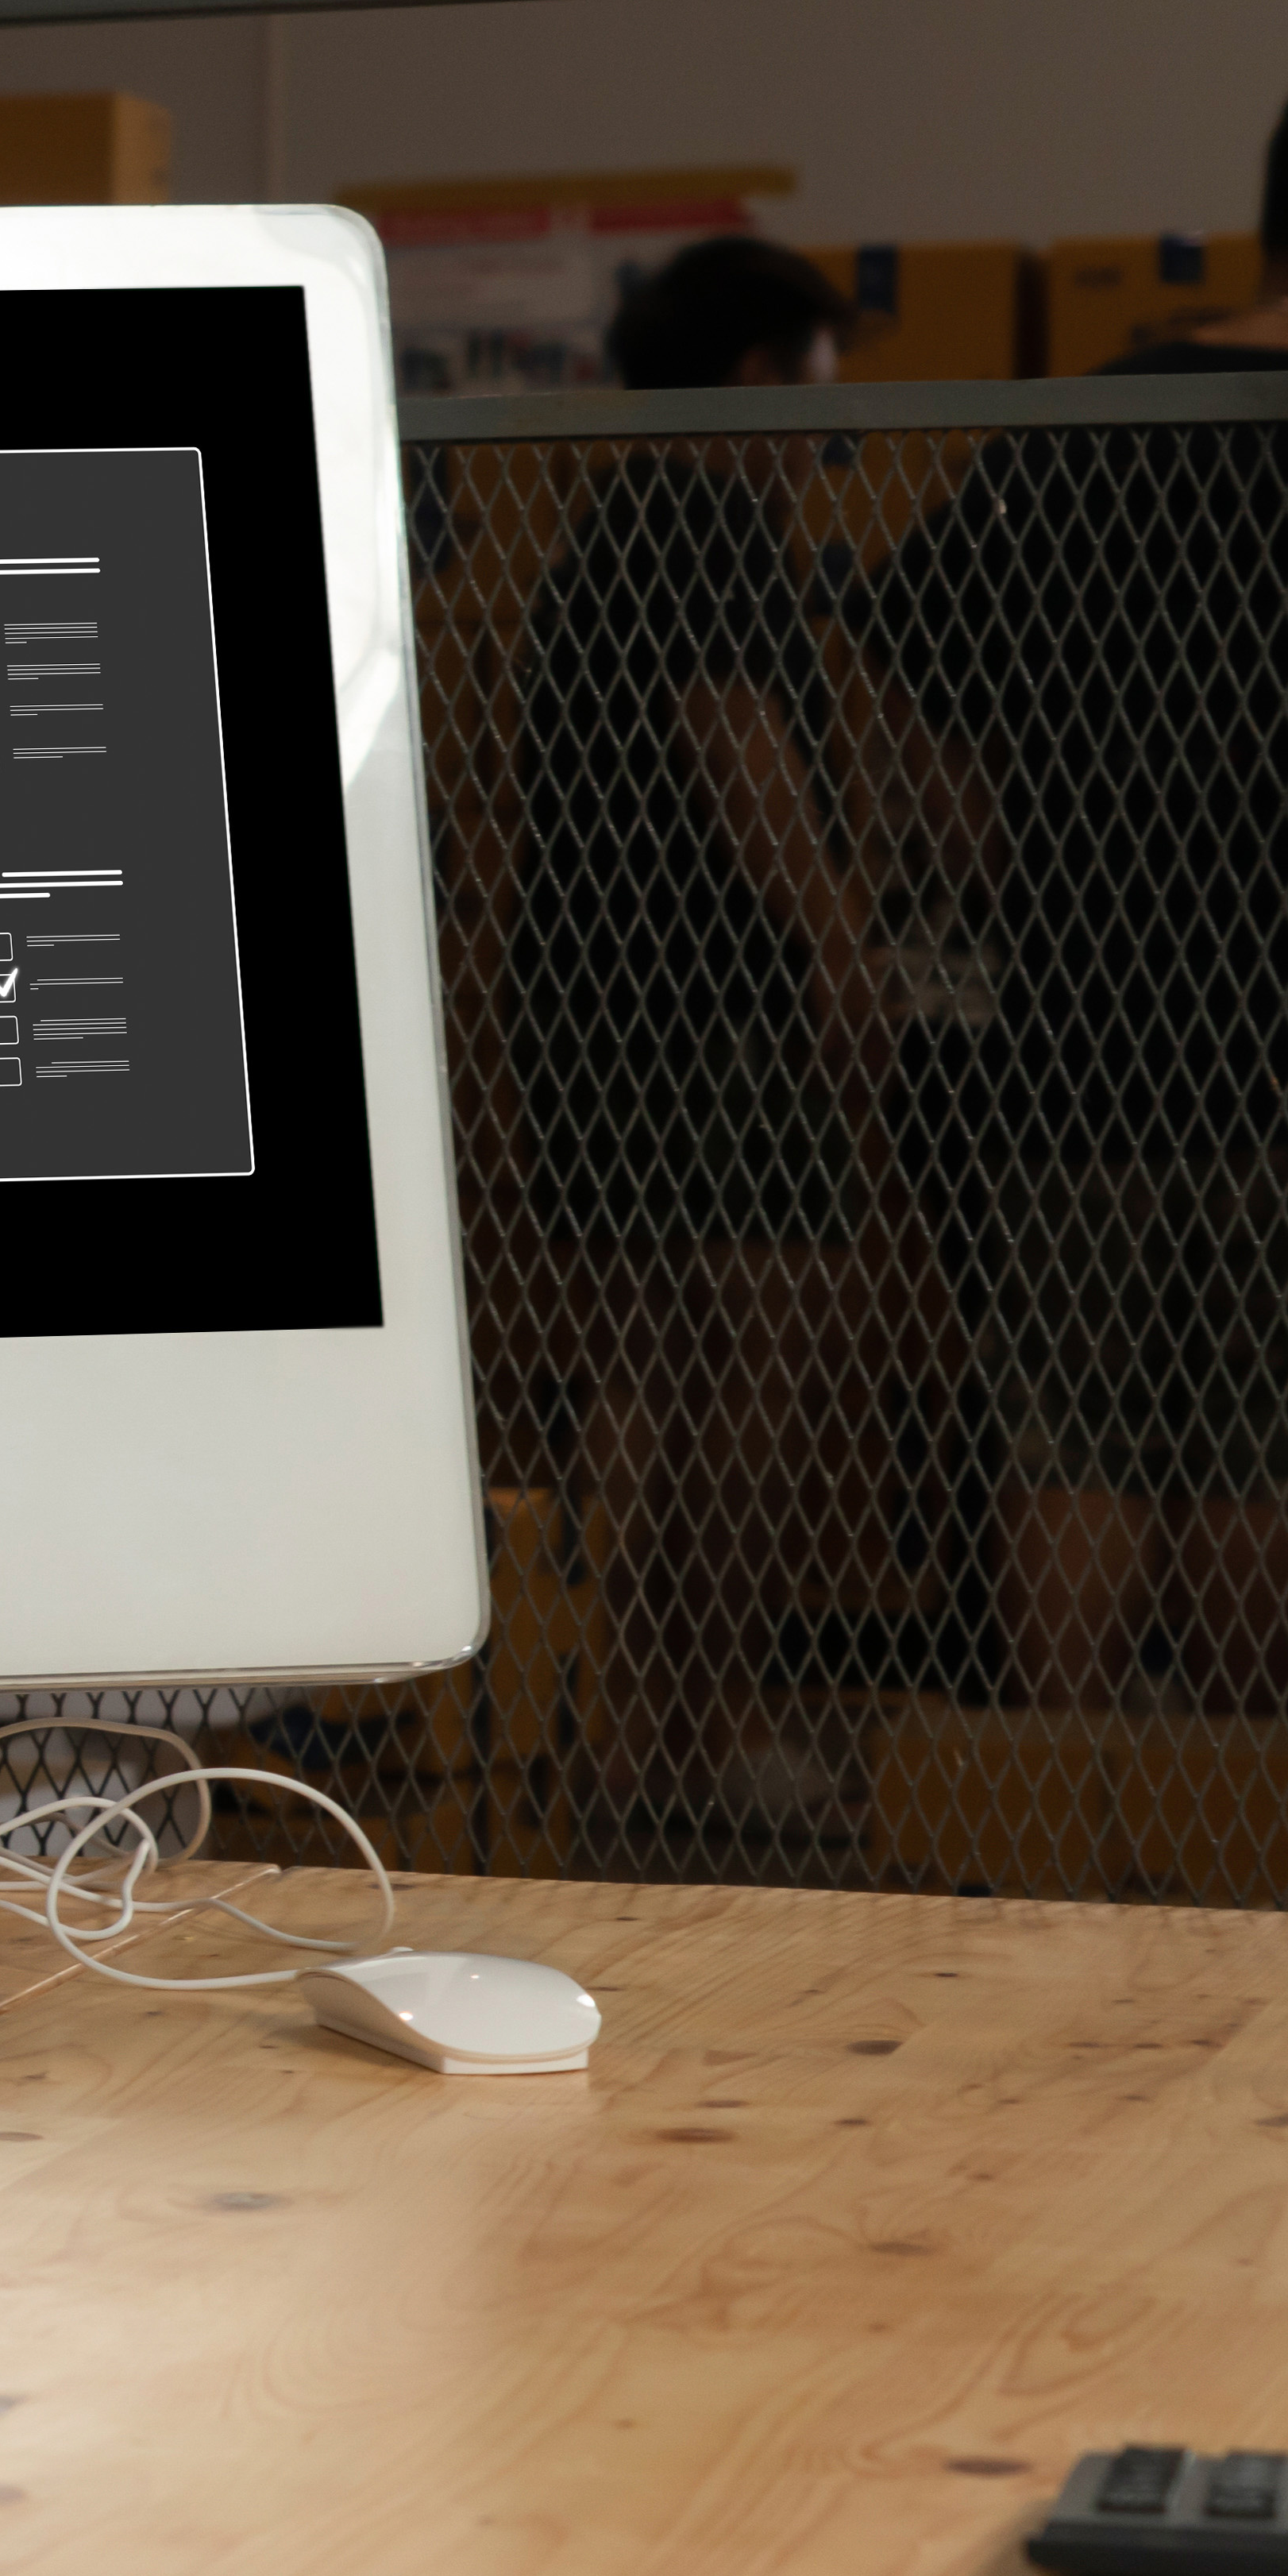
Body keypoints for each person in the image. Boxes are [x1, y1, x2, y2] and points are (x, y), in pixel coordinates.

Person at [877, 71, 1288, 1725]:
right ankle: (1247, 1848)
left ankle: (1054, 1831)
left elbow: (899, 665)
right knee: (1275, 1449)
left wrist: (1008, 854)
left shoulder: (1097, 422)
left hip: (1079, 1020)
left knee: (1068, 1435)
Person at [499, 237, 897, 1836]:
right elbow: (732, 734)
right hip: (708, 1012)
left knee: (661, 1374)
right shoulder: (706, 518)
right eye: (813, 384)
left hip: (586, 1012)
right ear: (752, 373)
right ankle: (699, 1722)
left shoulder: (603, 519)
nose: (827, 425)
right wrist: (835, 943)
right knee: (757, 1359)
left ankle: (634, 1733)